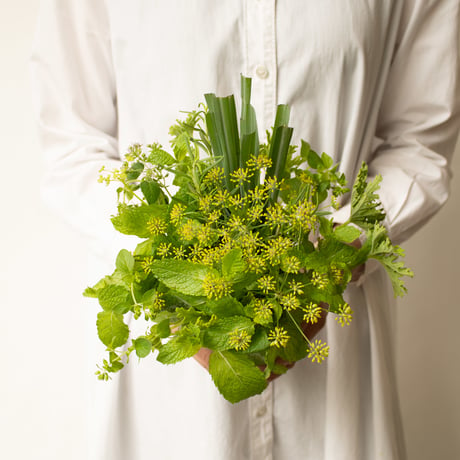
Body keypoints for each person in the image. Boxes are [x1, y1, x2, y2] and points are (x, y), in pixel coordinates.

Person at [30, 1, 460, 459]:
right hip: (169, 398)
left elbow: (421, 142)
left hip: (336, 353)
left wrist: (337, 253)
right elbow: (72, 144)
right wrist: (176, 277)